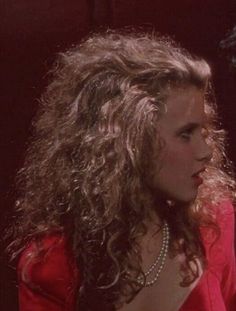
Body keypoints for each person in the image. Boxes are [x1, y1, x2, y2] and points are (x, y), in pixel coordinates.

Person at [8, 31, 236, 311]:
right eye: (186, 134)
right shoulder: (52, 264)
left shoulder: (214, 221)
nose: (206, 151)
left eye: (203, 130)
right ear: (129, 143)